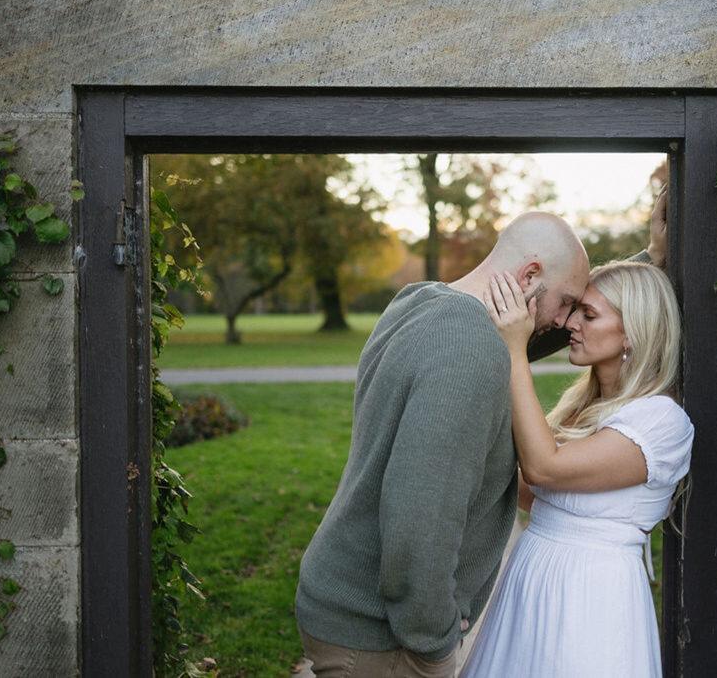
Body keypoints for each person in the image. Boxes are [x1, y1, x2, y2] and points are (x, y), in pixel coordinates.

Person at [294, 211, 589, 678]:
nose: (564, 321)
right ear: (529, 275)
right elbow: (421, 514)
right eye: (568, 302)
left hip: (339, 603)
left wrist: (647, 261)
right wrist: (434, 642)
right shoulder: (473, 352)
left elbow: (515, 339)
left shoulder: (420, 301)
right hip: (380, 642)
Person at [459, 258, 694, 678]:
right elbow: (526, 492)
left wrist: (515, 349)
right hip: (532, 578)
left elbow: (543, 469)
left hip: (591, 596)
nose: (571, 323)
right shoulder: (582, 408)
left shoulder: (660, 421)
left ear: (634, 331)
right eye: (574, 310)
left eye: (589, 314)